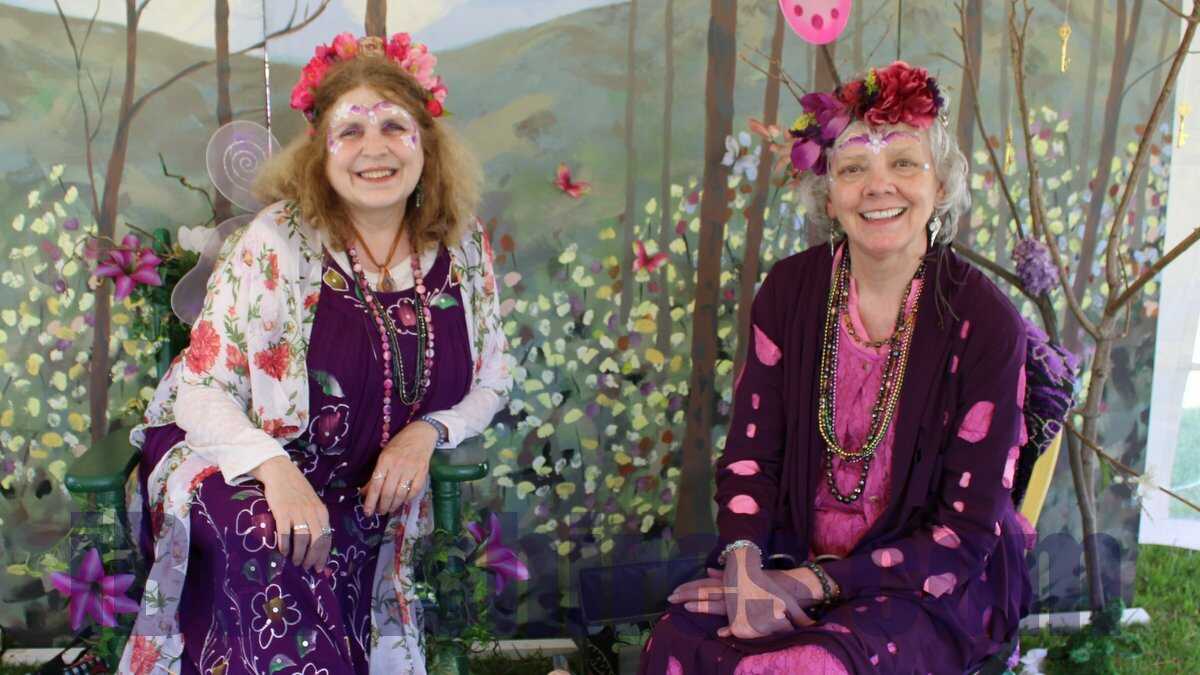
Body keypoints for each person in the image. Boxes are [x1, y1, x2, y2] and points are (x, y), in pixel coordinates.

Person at [119, 32, 511, 674]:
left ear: (427, 143)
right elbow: (200, 390)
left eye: (394, 125)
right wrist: (275, 472)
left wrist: (429, 433)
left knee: (320, 551)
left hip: (364, 489)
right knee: (271, 536)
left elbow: (493, 379)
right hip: (236, 460)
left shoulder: (463, 246)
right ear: (319, 153)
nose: (375, 148)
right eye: (349, 131)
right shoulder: (276, 240)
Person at [640, 61, 1033, 674]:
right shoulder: (789, 291)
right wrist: (744, 569)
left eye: (904, 163)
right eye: (853, 169)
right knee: (678, 639)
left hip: (927, 584)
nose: (879, 187)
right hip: (785, 555)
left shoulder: (985, 322)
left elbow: (964, 535)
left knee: (807, 668)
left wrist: (811, 585)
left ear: (941, 185)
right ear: (828, 193)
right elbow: (751, 457)